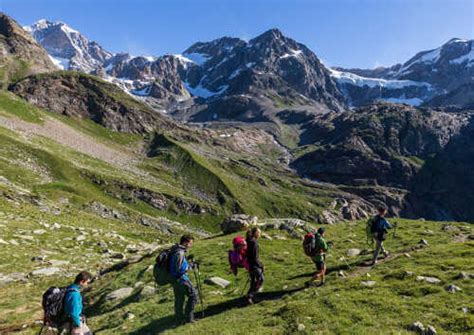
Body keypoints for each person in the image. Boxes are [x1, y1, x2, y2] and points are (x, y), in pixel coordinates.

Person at [169, 234, 198, 324]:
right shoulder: (180, 253)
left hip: (174, 279)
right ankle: (189, 318)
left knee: (179, 299)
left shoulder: (175, 250)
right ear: (186, 242)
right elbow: (180, 269)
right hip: (181, 279)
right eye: (190, 243)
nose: (191, 245)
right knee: (193, 295)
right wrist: (190, 266)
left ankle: (178, 319)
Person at [59, 271, 93, 335]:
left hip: (70, 319)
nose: (87, 284)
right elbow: (74, 312)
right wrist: (78, 325)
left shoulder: (70, 288)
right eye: (87, 282)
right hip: (74, 321)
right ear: (82, 281)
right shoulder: (74, 294)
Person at [245, 227, 264, 305]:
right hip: (254, 265)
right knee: (261, 279)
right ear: (255, 233)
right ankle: (250, 295)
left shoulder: (248, 241)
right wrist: (261, 265)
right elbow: (255, 257)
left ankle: (251, 296)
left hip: (249, 265)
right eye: (259, 232)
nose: (260, 234)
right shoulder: (254, 242)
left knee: (253, 281)